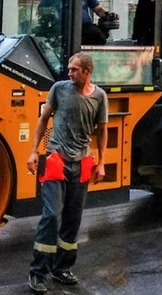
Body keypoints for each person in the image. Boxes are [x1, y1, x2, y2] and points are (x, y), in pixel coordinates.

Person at [26, 52, 108, 293]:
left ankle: (62, 269)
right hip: (55, 159)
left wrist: (101, 162)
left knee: (73, 218)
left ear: (87, 71)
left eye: (74, 70)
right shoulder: (58, 89)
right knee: (51, 215)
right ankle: (38, 272)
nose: (69, 73)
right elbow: (43, 121)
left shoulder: (100, 96)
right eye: (69, 69)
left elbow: (102, 131)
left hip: (82, 163)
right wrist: (34, 152)